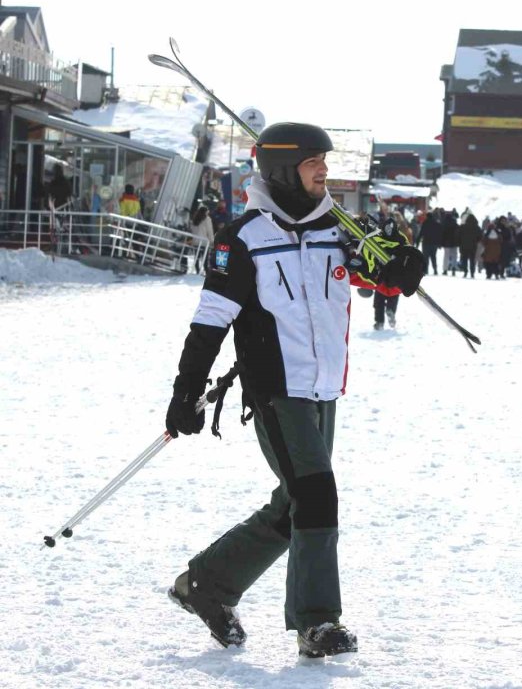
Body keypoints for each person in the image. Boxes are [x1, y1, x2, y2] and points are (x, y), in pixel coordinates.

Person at [163, 122, 423, 659]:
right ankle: (318, 621)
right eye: (312, 163)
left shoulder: (341, 230)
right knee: (317, 495)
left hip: (324, 387)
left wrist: (403, 264)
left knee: (296, 504)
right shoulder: (243, 240)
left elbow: (386, 275)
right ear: (282, 170)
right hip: (276, 390)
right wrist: (186, 391)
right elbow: (209, 324)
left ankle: (206, 583)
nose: (324, 171)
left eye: (324, 162)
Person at [189, 205, 215, 273]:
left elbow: (192, 229)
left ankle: (197, 270)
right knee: (205, 258)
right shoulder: (207, 219)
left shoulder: (195, 218)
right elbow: (209, 231)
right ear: (206, 212)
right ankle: (206, 271)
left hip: (195, 241)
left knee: (196, 257)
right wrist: (212, 240)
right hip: (204, 242)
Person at [458, 212, 481, 278]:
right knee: (472, 260)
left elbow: (458, 235)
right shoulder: (477, 227)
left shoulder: (463, 227)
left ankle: (465, 271)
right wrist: (476, 241)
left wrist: (460, 243)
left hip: (464, 246)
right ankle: (472, 273)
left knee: (464, 259)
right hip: (473, 246)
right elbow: (480, 236)